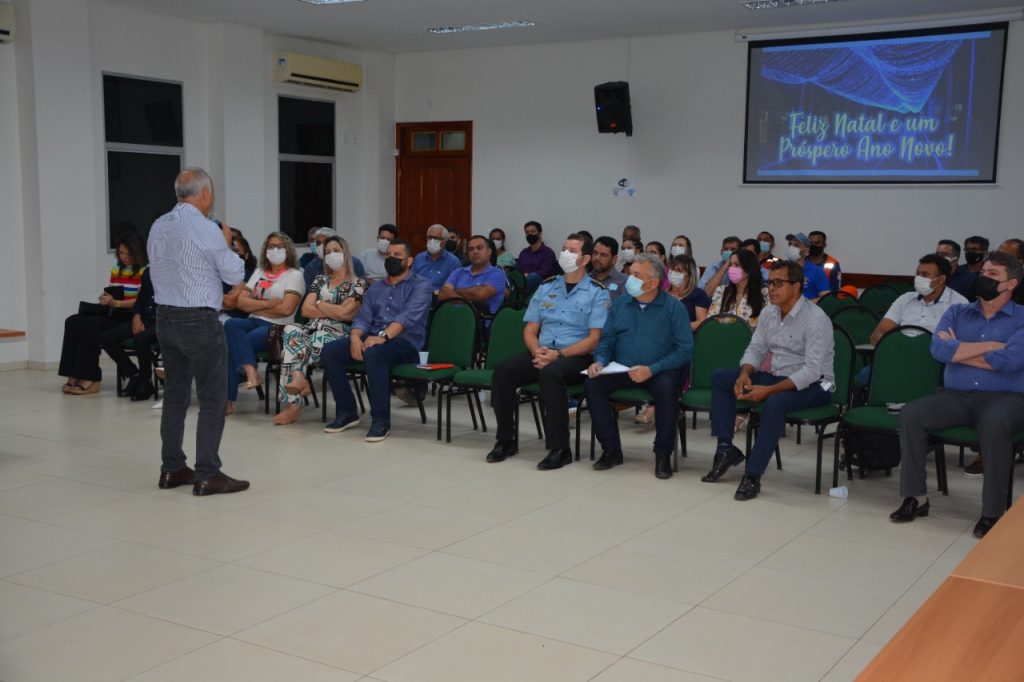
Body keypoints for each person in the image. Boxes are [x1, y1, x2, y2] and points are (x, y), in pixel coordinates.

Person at [890, 251, 1024, 538]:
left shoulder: (1022, 318)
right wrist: (990, 348)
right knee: (912, 414)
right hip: (956, 395)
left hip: (1006, 398)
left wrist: (959, 351)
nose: (983, 277)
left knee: (995, 424)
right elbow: (938, 350)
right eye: (983, 271)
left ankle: (992, 511)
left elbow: (1011, 361)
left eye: (993, 275)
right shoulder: (957, 312)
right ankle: (916, 497)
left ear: (1010, 284)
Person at [148, 167, 248, 496]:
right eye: (212, 193)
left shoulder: (158, 225)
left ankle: (172, 468)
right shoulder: (206, 229)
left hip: (165, 317)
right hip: (198, 320)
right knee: (211, 398)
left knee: (175, 395)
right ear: (204, 193)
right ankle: (208, 473)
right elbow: (234, 272)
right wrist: (228, 241)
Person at [702, 260, 835, 500]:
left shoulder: (817, 319)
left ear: (797, 287)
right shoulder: (768, 312)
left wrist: (769, 391)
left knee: (775, 403)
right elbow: (755, 349)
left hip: (817, 385)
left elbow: (812, 371)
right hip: (778, 376)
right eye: (769, 283)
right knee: (722, 377)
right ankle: (726, 449)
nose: (771, 289)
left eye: (778, 283)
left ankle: (752, 475)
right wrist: (745, 373)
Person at [485, 233, 610, 468]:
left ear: (585, 259)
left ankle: (560, 448)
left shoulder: (597, 291)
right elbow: (530, 330)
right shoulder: (547, 286)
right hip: (542, 353)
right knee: (503, 371)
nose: (566, 254)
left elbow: (594, 339)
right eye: (564, 248)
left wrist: (559, 355)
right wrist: (537, 352)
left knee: (551, 374)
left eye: (572, 251)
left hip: (576, 356)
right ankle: (505, 440)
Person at [585, 254, 693, 479]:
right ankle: (611, 449)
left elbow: (684, 350)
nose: (629, 279)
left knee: (667, 389)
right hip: (622, 368)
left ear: (653, 283)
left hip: (660, 370)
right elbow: (606, 340)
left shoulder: (674, 308)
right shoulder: (621, 304)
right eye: (629, 273)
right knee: (593, 383)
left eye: (635, 275)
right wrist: (600, 360)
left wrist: (652, 369)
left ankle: (662, 454)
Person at [320, 239, 432, 442]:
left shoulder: (421, 285)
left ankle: (381, 420)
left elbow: (407, 318)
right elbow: (363, 318)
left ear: (409, 261)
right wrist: (355, 338)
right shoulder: (376, 288)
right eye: (389, 256)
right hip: (371, 336)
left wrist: (382, 337)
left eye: (397, 256)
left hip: (406, 343)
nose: (392, 259)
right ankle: (347, 412)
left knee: (374, 353)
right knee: (330, 352)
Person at [274, 236, 367, 425]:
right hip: (313, 328)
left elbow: (346, 314)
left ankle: (293, 405)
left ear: (345, 253)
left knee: (296, 347)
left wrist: (319, 303)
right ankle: (299, 378)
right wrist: (332, 308)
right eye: (328, 252)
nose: (332, 255)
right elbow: (305, 310)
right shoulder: (320, 280)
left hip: (340, 333)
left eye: (336, 251)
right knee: (291, 329)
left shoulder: (358, 283)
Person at [224, 232, 305, 414]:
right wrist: (269, 304)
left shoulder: (295, 275)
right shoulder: (260, 272)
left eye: (279, 246)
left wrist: (255, 306)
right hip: (253, 321)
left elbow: (286, 309)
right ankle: (251, 370)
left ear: (288, 250)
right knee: (230, 325)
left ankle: (228, 400)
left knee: (231, 344)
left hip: (278, 327)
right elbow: (240, 302)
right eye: (270, 246)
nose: (274, 250)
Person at [59, 232, 148, 395]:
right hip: (115, 311)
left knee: (91, 325)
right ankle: (73, 372)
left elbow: (141, 300)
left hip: (131, 315)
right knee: (72, 321)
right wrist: (108, 299)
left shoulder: (146, 270)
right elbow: (116, 293)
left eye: (129, 254)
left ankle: (91, 377)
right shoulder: (117, 269)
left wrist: (117, 303)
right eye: (121, 253)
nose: (124, 257)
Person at [99, 267, 159, 401]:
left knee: (141, 338)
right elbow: (141, 299)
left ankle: (145, 381)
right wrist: (136, 317)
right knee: (107, 337)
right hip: (145, 318)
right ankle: (133, 374)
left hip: (165, 320)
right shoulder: (149, 271)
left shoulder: (175, 271)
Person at [438, 235, 507, 315]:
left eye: (479, 248)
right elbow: (443, 294)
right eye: (471, 249)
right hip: (452, 318)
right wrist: (469, 301)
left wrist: (455, 291)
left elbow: (480, 295)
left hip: (481, 323)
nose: (475, 252)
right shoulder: (458, 272)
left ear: (489, 251)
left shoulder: (497, 273)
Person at [707, 249, 767, 326]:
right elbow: (711, 321)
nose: (732, 268)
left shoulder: (764, 293)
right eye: (730, 265)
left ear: (749, 268)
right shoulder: (721, 291)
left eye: (737, 265)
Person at [412, 223, 462, 292]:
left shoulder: (453, 262)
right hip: (419, 297)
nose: (432, 241)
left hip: (441, 299)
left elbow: (454, 288)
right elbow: (411, 281)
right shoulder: (419, 258)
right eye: (429, 237)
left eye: (436, 238)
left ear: (445, 241)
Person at [784, 232, 830, 302]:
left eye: (796, 245)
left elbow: (826, 297)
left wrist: (805, 305)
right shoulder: (782, 269)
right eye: (790, 244)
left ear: (806, 251)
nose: (791, 247)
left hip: (808, 310)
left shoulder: (816, 271)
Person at [516, 220, 557, 293]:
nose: (530, 234)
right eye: (527, 232)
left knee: (533, 277)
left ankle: (517, 296)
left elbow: (545, 272)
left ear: (540, 234)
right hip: (523, 282)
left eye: (533, 231)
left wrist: (528, 275)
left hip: (542, 285)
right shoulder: (523, 252)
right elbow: (518, 270)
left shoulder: (548, 253)